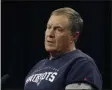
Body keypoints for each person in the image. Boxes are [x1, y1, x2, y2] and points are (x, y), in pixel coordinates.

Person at [24, 7, 102, 90]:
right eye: (49, 27)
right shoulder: (38, 66)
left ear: (74, 36)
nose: (50, 34)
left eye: (58, 29)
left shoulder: (81, 64)